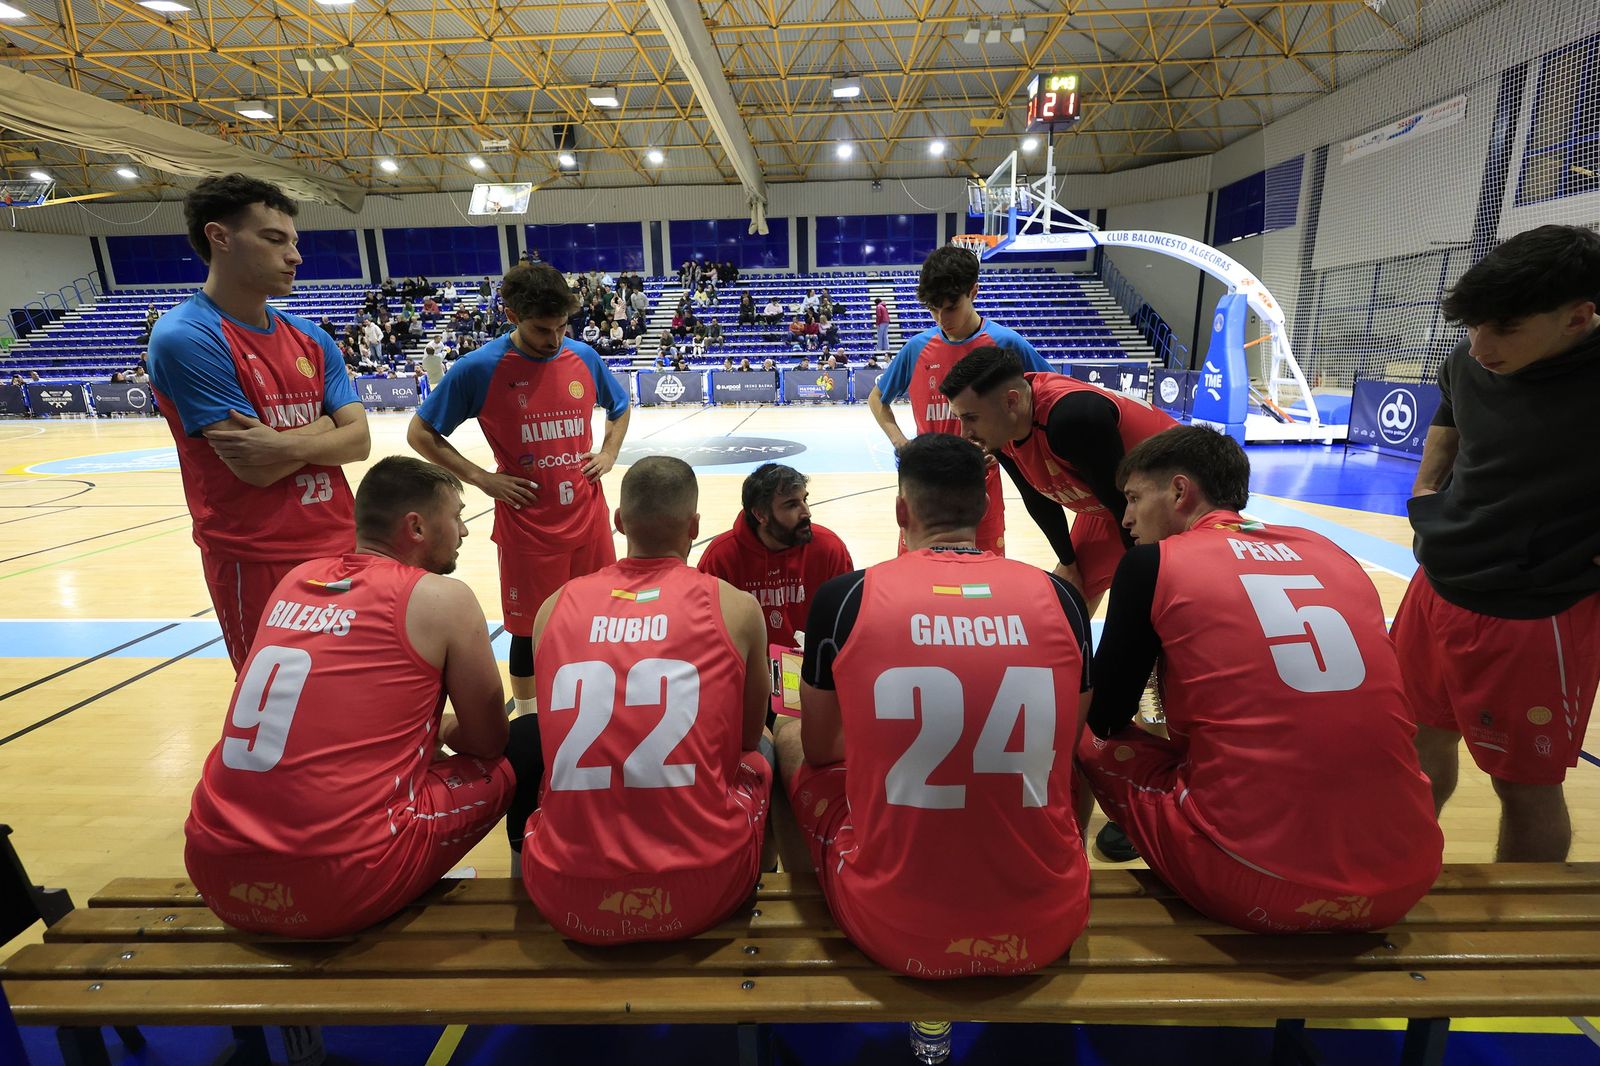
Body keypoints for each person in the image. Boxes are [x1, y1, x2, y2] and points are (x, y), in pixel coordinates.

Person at [1078, 426, 1442, 929]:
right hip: (1407, 873)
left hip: (1258, 883)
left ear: (1180, 492)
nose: (1126, 518)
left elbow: (1105, 714)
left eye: (1135, 499)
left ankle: (1058, 878)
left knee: (1080, 730)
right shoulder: (1330, 551)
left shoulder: (1152, 564)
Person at [775, 432, 1093, 978]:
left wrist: (885, 735)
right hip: (1047, 923)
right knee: (1079, 748)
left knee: (784, 735)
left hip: (895, 927)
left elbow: (822, 750)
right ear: (987, 506)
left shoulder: (846, 597)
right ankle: (1065, 857)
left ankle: (800, 895)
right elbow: (1067, 737)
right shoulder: (1061, 598)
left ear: (902, 510)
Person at [184, 456, 520, 937]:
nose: (464, 531)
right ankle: (525, 898)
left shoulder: (295, 580)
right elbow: (487, 741)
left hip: (215, 872)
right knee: (523, 748)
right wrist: (439, 725)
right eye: (458, 516)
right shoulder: (443, 598)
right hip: (334, 888)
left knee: (388, 755)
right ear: (417, 527)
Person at [1392, 224, 1600, 862]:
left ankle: (1523, 947)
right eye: (1474, 326)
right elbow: (1447, 427)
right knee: (1416, 751)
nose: (1480, 347)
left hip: (1535, 611)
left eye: (1504, 329)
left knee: (1523, 789)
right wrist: (1427, 499)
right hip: (1436, 586)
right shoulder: (1468, 358)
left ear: (1578, 318)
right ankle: (1401, 874)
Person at [507, 457, 774, 943]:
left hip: (566, 895)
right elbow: (745, 739)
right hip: (700, 893)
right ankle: (773, 893)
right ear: (694, 526)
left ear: (617, 522)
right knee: (769, 750)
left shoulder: (554, 606)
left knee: (527, 742)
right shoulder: (736, 606)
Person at [146, 173, 371, 672]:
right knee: (279, 709)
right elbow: (256, 469)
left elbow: (359, 441)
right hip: (257, 556)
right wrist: (323, 427)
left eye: (293, 241)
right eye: (274, 239)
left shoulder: (310, 335)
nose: (294, 256)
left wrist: (283, 442)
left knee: (349, 693)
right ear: (219, 237)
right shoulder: (186, 336)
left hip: (341, 541)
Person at [408, 263, 631, 712]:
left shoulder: (583, 357)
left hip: (588, 520)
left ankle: (595, 704)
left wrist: (608, 453)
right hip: (529, 529)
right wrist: (483, 479)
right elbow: (421, 434)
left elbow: (620, 407)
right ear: (510, 315)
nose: (553, 340)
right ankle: (529, 720)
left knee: (596, 619)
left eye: (561, 327)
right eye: (541, 329)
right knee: (528, 632)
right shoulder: (479, 368)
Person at [940, 346, 1177, 615]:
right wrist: (1069, 563)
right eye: (959, 418)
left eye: (970, 417)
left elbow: (1124, 507)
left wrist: (1142, 584)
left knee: (1149, 603)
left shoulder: (1071, 419)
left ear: (1010, 401)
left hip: (1171, 493)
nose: (964, 432)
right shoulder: (1004, 427)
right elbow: (1036, 496)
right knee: (1068, 595)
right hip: (1117, 497)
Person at [867, 244, 1054, 557]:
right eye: (933, 308)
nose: (941, 317)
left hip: (980, 488)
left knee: (984, 585)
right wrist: (901, 442)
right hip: (925, 488)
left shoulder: (1005, 343)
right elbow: (877, 399)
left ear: (974, 292)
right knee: (916, 583)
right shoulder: (917, 348)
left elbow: (1049, 396)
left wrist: (1012, 449)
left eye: (951, 306)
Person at [697, 463, 854, 652]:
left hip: (811, 670)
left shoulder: (829, 549)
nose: (806, 512)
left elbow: (847, 622)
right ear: (760, 514)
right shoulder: (721, 557)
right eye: (792, 505)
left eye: (804, 500)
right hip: (746, 671)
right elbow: (704, 630)